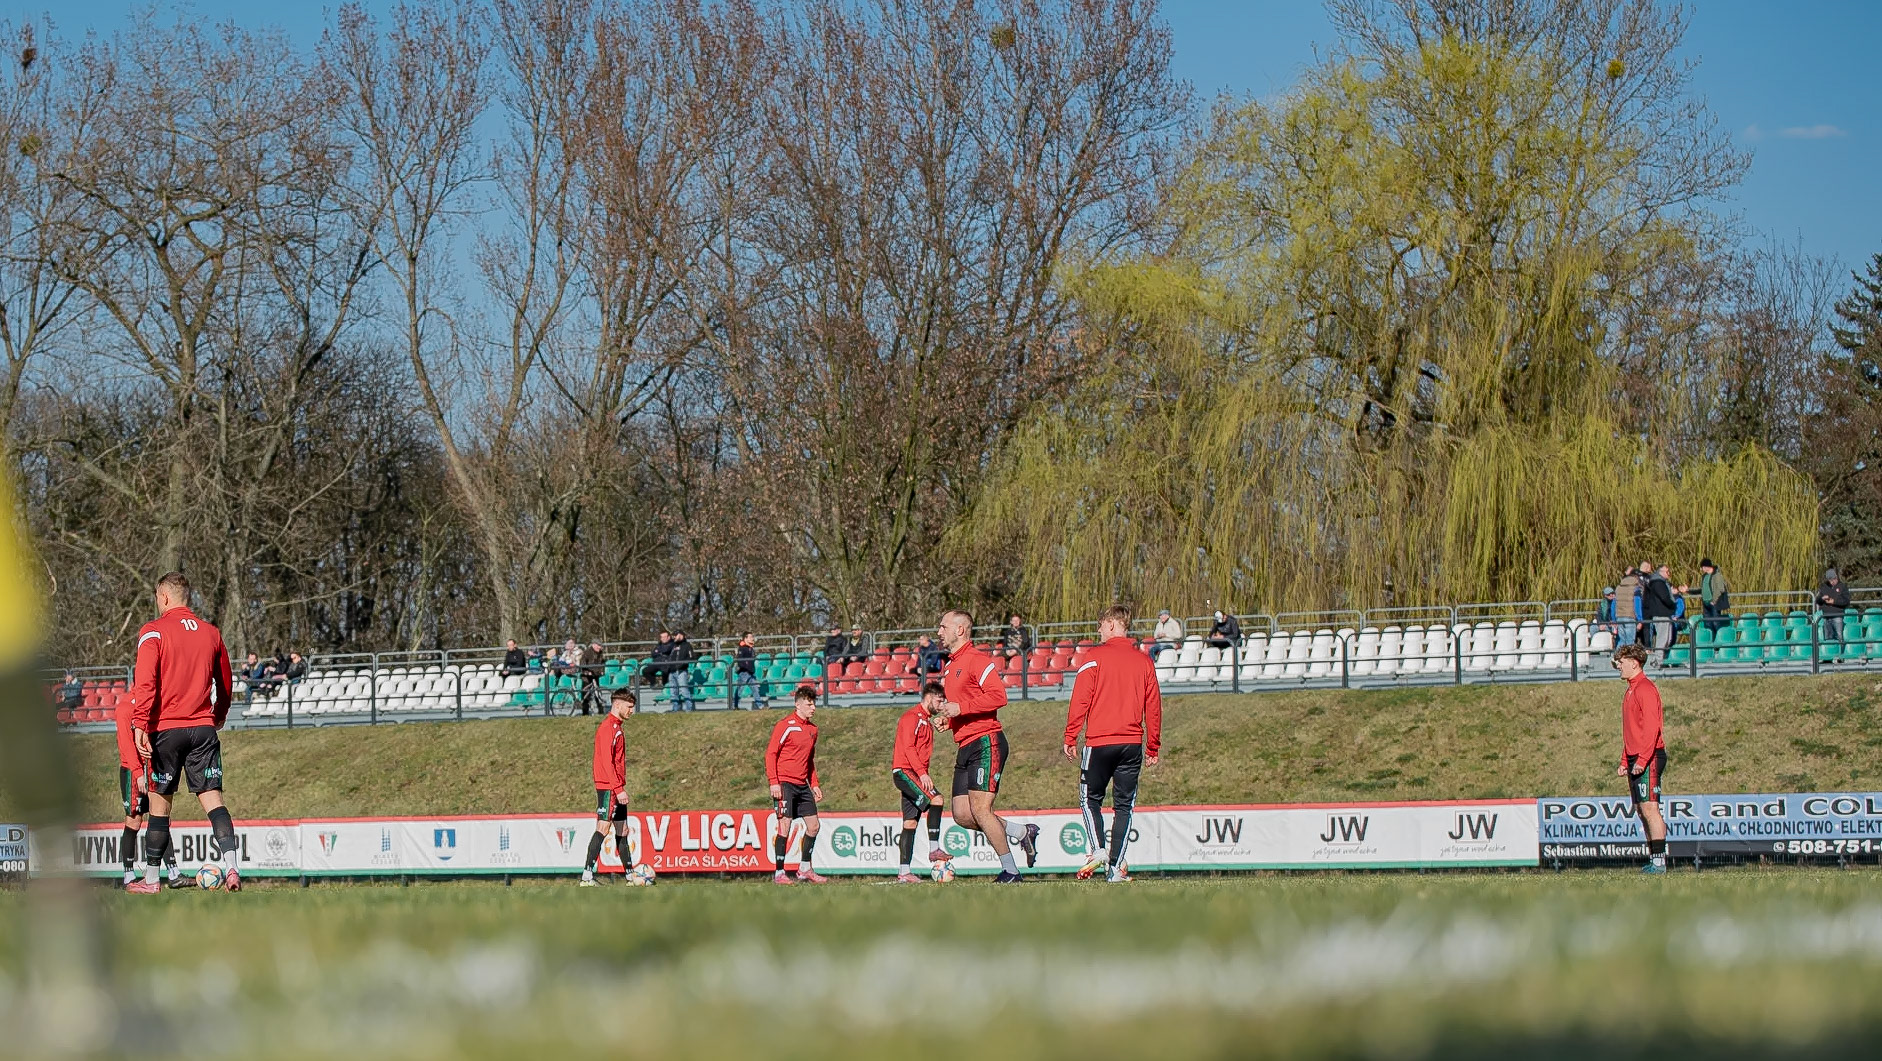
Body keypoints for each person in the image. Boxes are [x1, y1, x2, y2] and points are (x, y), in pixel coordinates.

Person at [126, 572, 239, 893]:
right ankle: (232, 868)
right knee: (214, 800)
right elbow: (226, 683)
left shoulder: (153, 631)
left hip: (166, 729)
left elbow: (145, 682)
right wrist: (218, 715)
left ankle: (151, 880)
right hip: (203, 728)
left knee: (159, 808)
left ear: (163, 597)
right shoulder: (212, 633)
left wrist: (140, 723)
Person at [1063, 605, 1163, 883]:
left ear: (1110, 624)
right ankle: (1115, 869)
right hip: (1131, 744)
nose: (1099, 631)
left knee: (1089, 799)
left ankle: (1098, 850)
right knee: (1124, 806)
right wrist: (1153, 745)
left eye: (1100, 626)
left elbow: (1081, 698)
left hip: (1100, 741)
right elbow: (1153, 706)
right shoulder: (1144, 661)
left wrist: (1071, 735)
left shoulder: (1094, 657)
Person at [936, 609, 1038, 882]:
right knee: (962, 814)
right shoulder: (950, 666)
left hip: (986, 741)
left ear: (960, 630)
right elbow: (965, 706)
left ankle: (1011, 872)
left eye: (943, 626)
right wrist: (951, 721)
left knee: (981, 810)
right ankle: (1021, 832)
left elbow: (998, 696)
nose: (939, 632)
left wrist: (961, 708)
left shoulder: (977, 660)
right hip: (965, 744)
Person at [114, 681, 179, 887]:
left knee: (160, 816)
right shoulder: (125, 708)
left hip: (153, 768)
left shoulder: (154, 704)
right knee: (134, 821)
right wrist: (137, 773)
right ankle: (128, 875)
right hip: (132, 771)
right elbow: (126, 743)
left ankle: (174, 873)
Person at [1614, 643, 1668, 874]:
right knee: (1641, 810)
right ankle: (1653, 859)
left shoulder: (1645, 689)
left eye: (1621, 662)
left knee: (1650, 809)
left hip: (1650, 756)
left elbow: (1652, 729)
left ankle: (1660, 862)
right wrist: (1625, 760)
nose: (1619, 666)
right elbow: (1632, 730)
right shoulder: (1630, 691)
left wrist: (1643, 759)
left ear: (1634, 663)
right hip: (1636, 756)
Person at [766, 686, 827, 884]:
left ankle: (804, 869)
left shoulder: (813, 730)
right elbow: (771, 753)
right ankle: (779, 873)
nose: (813, 708)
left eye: (814, 704)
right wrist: (774, 782)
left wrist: (814, 784)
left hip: (802, 785)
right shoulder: (785, 726)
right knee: (785, 826)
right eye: (809, 704)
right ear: (798, 705)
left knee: (814, 826)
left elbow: (809, 760)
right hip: (785, 784)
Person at [891, 682, 948, 883]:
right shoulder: (911, 717)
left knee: (910, 823)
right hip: (905, 771)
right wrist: (922, 774)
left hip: (912, 773)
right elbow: (908, 748)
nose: (941, 705)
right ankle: (934, 849)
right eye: (939, 701)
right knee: (937, 799)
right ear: (929, 697)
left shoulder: (926, 721)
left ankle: (904, 872)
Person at [581, 688, 637, 886]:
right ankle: (587, 876)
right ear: (617, 704)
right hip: (608, 787)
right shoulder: (607, 728)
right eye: (629, 707)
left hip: (616, 786)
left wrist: (620, 786)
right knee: (603, 827)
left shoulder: (617, 727)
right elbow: (607, 761)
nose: (631, 711)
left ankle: (630, 877)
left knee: (622, 830)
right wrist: (617, 789)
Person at [1639, 561, 1676, 657]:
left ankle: (1661, 659)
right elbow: (1664, 597)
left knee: (1667, 639)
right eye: (1667, 571)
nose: (1669, 573)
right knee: (1662, 639)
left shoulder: (1661, 582)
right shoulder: (1658, 583)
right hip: (1661, 614)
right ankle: (1657, 661)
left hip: (1665, 613)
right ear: (1661, 572)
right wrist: (1672, 604)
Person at [731, 633, 766, 711]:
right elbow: (740, 661)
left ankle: (760, 706)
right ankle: (734, 706)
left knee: (755, 689)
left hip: (750, 672)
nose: (752, 638)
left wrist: (751, 670)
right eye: (750, 637)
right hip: (744, 672)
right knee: (740, 690)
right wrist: (746, 668)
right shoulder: (742, 648)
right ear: (745, 638)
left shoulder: (751, 648)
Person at [1818, 568, 1852, 645]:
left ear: (1836, 577)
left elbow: (1846, 601)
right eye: (1830, 580)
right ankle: (1829, 652)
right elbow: (1818, 601)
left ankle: (1840, 651)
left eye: (1833, 579)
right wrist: (1822, 599)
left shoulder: (1843, 587)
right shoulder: (1823, 587)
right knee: (1828, 638)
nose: (1832, 582)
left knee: (1839, 637)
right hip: (1826, 617)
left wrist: (1834, 601)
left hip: (1838, 616)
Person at [1698, 559, 1730, 634]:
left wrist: (1714, 600)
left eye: (1702, 567)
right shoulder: (1704, 576)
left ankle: (1718, 639)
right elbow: (1703, 589)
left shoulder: (1716, 575)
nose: (1701, 569)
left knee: (1716, 623)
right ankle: (1710, 639)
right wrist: (1689, 591)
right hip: (1706, 603)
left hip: (1714, 603)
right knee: (1708, 624)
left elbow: (1720, 589)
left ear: (1706, 566)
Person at [668, 632, 696, 711]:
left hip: (681, 671)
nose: (674, 637)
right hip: (671, 671)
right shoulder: (672, 645)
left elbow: (692, 657)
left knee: (684, 690)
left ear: (681, 635)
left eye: (675, 635)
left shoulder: (687, 645)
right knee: (673, 691)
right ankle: (675, 709)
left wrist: (682, 664)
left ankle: (689, 708)